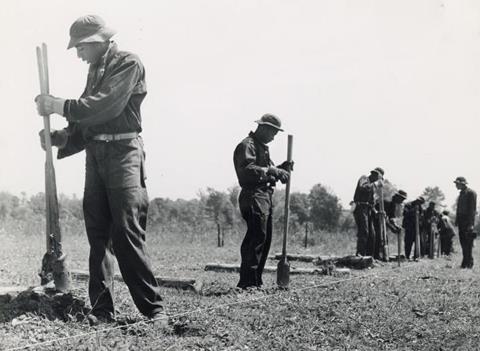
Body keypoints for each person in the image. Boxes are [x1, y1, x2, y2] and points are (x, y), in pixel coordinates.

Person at [35, 15, 165, 326]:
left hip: (123, 155)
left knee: (126, 233)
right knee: (98, 237)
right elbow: (87, 122)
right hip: (96, 156)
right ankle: (103, 311)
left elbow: (104, 106)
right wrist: (60, 138)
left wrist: (57, 105)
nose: (78, 55)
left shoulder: (128, 63)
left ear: (96, 42)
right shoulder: (96, 69)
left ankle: (154, 311)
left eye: (80, 48)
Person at [233, 114, 293, 289]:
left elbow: (266, 170)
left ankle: (256, 281)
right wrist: (272, 171)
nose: (274, 137)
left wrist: (281, 168)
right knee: (256, 238)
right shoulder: (247, 145)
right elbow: (247, 170)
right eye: (273, 133)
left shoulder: (261, 147)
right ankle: (247, 284)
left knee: (264, 239)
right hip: (253, 196)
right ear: (264, 128)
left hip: (264, 196)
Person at [352, 167, 384, 257]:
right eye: (379, 179)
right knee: (364, 231)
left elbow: (371, 203)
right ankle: (360, 255)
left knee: (372, 234)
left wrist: (376, 212)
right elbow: (363, 188)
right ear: (375, 175)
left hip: (368, 210)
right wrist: (376, 184)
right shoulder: (364, 179)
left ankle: (370, 257)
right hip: (360, 208)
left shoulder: (372, 186)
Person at [373, 189, 407, 259]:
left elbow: (391, 218)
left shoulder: (393, 205)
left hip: (382, 224)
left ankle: (383, 256)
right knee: (378, 238)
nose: (402, 201)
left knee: (385, 239)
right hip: (375, 221)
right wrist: (391, 227)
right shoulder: (385, 201)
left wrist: (396, 226)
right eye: (402, 199)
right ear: (397, 196)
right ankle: (376, 256)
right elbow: (382, 217)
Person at [454, 177, 477, 268]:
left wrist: (471, 224)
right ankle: (465, 262)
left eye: (457, 183)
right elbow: (458, 208)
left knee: (468, 243)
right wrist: (457, 219)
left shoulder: (471, 193)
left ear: (463, 184)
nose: (456, 185)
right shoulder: (461, 194)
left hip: (467, 221)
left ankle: (469, 262)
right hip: (461, 221)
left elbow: (472, 210)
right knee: (463, 242)